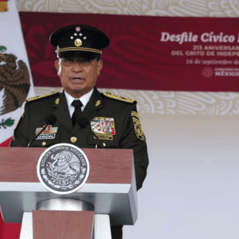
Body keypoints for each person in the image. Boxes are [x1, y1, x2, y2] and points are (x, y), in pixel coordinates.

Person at [10, 24, 149, 239]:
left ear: (99, 66)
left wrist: (97, 195)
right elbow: (14, 165)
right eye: (68, 61)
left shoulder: (121, 111)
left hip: (102, 225)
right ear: (58, 65)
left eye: (84, 61)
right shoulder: (36, 110)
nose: (76, 69)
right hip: (43, 224)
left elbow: (137, 168)